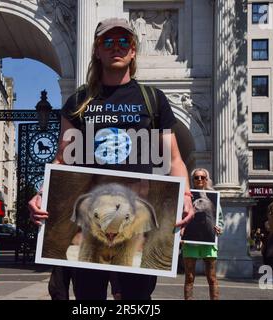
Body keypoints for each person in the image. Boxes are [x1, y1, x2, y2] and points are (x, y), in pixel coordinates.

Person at [28, 17, 194, 300]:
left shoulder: (153, 99)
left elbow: (174, 159)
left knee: (136, 299)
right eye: (107, 41)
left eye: (123, 42)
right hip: (90, 220)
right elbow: (62, 160)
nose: (115, 47)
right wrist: (43, 193)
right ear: (96, 49)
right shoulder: (78, 101)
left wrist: (186, 195)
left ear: (132, 51)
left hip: (137, 217)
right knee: (89, 298)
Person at [181, 168, 223, 300]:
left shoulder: (213, 197)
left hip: (208, 243)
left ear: (206, 179)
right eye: (196, 177)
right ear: (192, 179)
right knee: (189, 277)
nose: (199, 179)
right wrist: (180, 234)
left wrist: (219, 228)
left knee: (211, 277)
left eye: (202, 177)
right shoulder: (185, 196)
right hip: (190, 243)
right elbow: (180, 216)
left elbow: (220, 218)